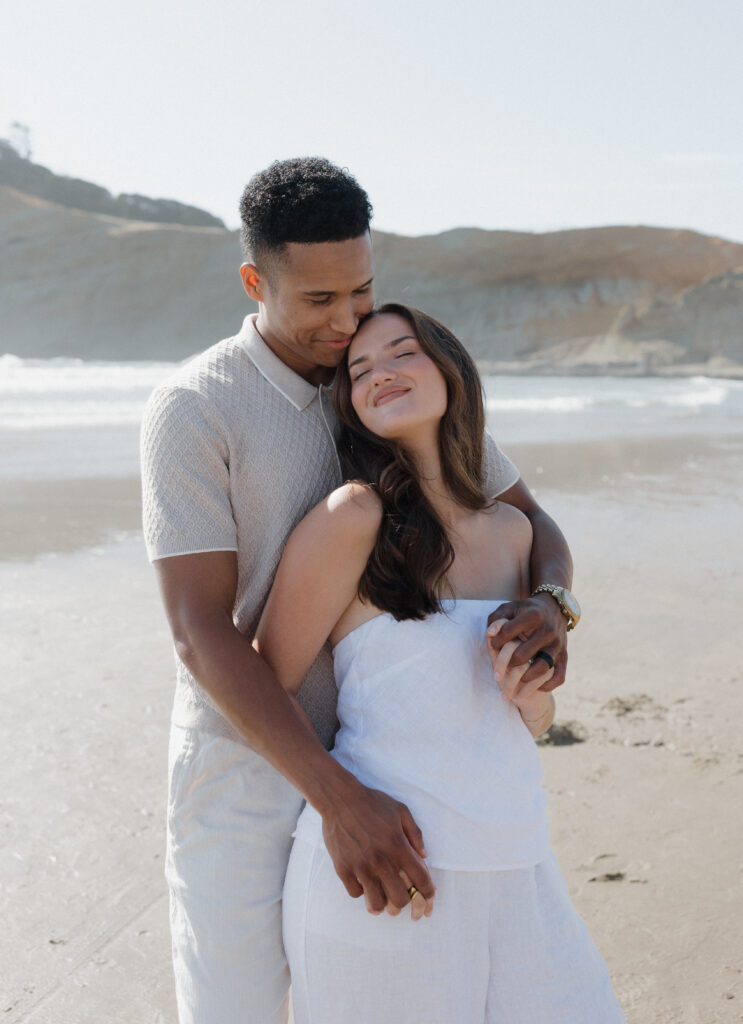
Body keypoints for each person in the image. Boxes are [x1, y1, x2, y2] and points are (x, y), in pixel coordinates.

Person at [140, 158, 576, 1024]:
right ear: (255, 281)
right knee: (237, 1011)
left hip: (377, 751)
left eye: (361, 291)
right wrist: (334, 795)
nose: (346, 322)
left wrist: (553, 604)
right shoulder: (195, 406)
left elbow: (531, 522)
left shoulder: (386, 382)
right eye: (316, 302)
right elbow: (197, 631)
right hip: (245, 756)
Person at [256, 304, 624, 1023]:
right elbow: (264, 685)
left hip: (517, 857)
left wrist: (532, 697)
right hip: (389, 870)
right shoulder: (351, 517)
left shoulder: (514, 533)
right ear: (351, 405)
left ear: (450, 369)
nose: (380, 373)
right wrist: (338, 805)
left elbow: (531, 722)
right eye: (359, 370)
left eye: (402, 353)